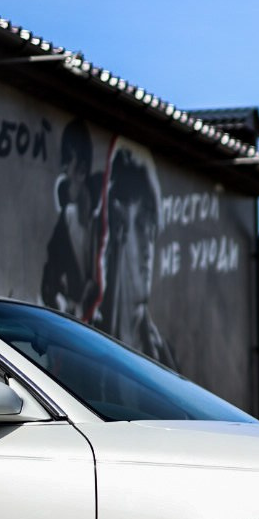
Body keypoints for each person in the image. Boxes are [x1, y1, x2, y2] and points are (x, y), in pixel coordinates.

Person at [93, 142, 176, 369]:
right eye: (141, 225)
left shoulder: (164, 359)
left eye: (152, 230)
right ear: (118, 225)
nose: (149, 246)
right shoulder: (84, 349)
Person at [40, 119, 99, 318]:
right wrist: (60, 300)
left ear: (82, 170)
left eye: (69, 162)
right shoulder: (67, 220)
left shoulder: (103, 222)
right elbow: (50, 278)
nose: (64, 171)